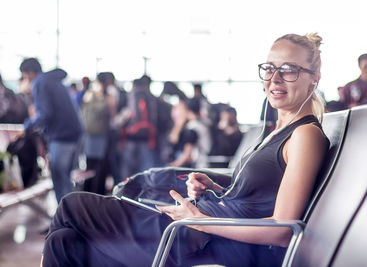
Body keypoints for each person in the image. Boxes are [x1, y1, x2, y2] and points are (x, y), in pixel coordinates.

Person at [42, 33, 329, 267]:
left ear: (314, 77)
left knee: (71, 206)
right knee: (64, 243)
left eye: (289, 70)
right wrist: (216, 187)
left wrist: (202, 221)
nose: (275, 79)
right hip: (195, 228)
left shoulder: (305, 135)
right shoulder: (278, 131)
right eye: (269, 68)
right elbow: (260, 197)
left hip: (198, 241)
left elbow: (281, 230)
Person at [20, 58, 83, 203]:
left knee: (60, 180)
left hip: (61, 136)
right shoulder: (56, 81)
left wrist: (27, 126)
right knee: (66, 179)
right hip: (75, 135)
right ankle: (71, 216)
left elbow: (45, 114)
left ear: (28, 73)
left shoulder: (40, 82)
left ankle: (66, 218)